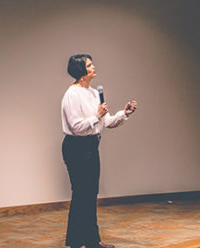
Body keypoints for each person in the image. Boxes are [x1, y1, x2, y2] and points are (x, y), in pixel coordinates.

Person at [61, 54, 137, 248]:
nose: (94, 67)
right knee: (81, 194)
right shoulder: (72, 94)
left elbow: (106, 122)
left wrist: (123, 114)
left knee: (90, 194)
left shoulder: (94, 92)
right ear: (81, 71)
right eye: (89, 65)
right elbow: (77, 127)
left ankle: (92, 241)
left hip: (91, 146)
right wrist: (96, 116)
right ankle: (79, 242)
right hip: (77, 147)